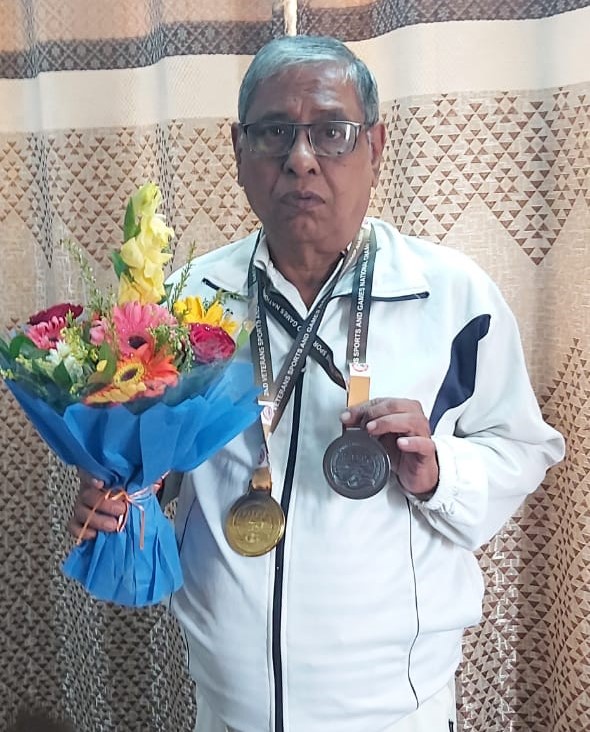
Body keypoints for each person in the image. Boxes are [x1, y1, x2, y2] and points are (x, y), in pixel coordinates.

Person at [69, 35, 565, 732]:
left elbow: (522, 448)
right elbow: (160, 468)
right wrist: (119, 493)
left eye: (332, 132)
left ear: (376, 146)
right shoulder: (182, 303)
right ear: (238, 149)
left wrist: (440, 472)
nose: (301, 158)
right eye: (274, 132)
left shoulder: (454, 297)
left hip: (396, 714)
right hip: (228, 709)